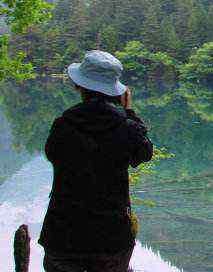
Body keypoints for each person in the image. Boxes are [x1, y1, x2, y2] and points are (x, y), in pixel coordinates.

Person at [39, 50, 154, 272]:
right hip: (110, 238)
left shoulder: (63, 125)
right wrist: (129, 112)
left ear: (79, 86)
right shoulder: (126, 128)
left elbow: (52, 155)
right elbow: (144, 152)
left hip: (62, 234)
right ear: (117, 93)